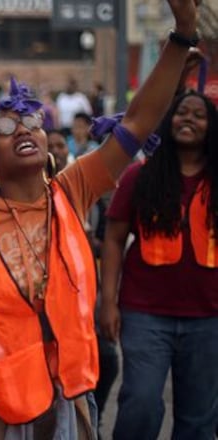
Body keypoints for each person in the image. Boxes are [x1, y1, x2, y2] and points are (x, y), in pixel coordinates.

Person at [0, 0, 198, 437]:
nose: (23, 129)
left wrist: (182, 32)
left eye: (30, 120)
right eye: (4, 128)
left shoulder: (71, 190)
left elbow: (137, 122)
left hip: (67, 396)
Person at [100, 91, 218, 438]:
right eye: (182, 113)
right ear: (169, 122)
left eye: (199, 115)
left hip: (209, 316)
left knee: (199, 417)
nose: (189, 120)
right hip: (145, 313)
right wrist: (108, 301)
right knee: (141, 402)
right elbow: (113, 238)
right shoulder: (141, 175)